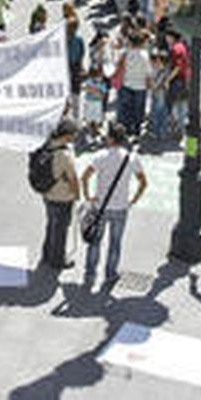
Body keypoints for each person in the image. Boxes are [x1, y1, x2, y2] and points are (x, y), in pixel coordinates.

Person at [80, 122, 147, 288]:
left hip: (101, 206)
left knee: (95, 241)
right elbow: (143, 182)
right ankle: (110, 274)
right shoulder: (131, 158)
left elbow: (85, 177)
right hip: (121, 208)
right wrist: (133, 200)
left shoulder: (100, 156)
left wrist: (89, 197)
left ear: (110, 138)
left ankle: (90, 274)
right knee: (115, 243)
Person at [40, 120, 81, 270]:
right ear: (67, 135)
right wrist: (77, 194)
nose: (76, 136)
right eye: (74, 134)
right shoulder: (64, 155)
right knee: (61, 229)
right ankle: (57, 260)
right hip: (62, 197)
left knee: (51, 224)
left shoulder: (47, 145)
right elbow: (73, 179)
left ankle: (46, 254)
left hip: (47, 193)